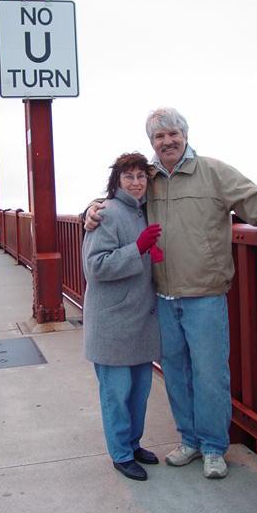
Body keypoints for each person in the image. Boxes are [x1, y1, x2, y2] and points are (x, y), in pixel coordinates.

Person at [85, 107, 257, 479]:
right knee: (177, 374)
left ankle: (214, 446)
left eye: (172, 134)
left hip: (205, 293)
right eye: (158, 137)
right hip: (162, 296)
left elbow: (254, 199)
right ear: (152, 143)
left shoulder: (212, 171)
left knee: (211, 374)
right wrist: (91, 208)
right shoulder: (149, 179)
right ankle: (191, 441)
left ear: (185, 134)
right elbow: (118, 200)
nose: (167, 141)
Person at [83, 152, 162, 482]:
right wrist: (138, 249)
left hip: (140, 320)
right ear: (116, 182)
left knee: (140, 390)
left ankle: (133, 442)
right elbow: (95, 266)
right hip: (112, 321)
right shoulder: (108, 213)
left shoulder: (145, 211)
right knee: (116, 392)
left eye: (141, 176)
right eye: (128, 176)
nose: (136, 182)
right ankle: (121, 453)